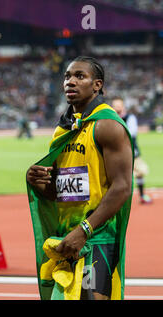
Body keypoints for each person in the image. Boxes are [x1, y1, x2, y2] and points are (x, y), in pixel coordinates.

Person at [26, 56, 133, 300]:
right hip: (67, 238)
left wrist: (84, 230)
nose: (70, 82)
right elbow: (61, 192)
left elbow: (122, 187)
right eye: (67, 76)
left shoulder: (107, 125)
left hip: (96, 238)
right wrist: (41, 183)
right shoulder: (63, 129)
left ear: (97, 85)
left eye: (79, 76)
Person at [112, 97, 152, 204]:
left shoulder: (130, 117)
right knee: (116, 177)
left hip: (132, 151)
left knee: (140, 172)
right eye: (115, 106)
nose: (117, 108)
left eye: (119, 105)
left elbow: (132, 134)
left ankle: (142, 195)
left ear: (123, 106)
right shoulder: (110, 119)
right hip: (116, 154)